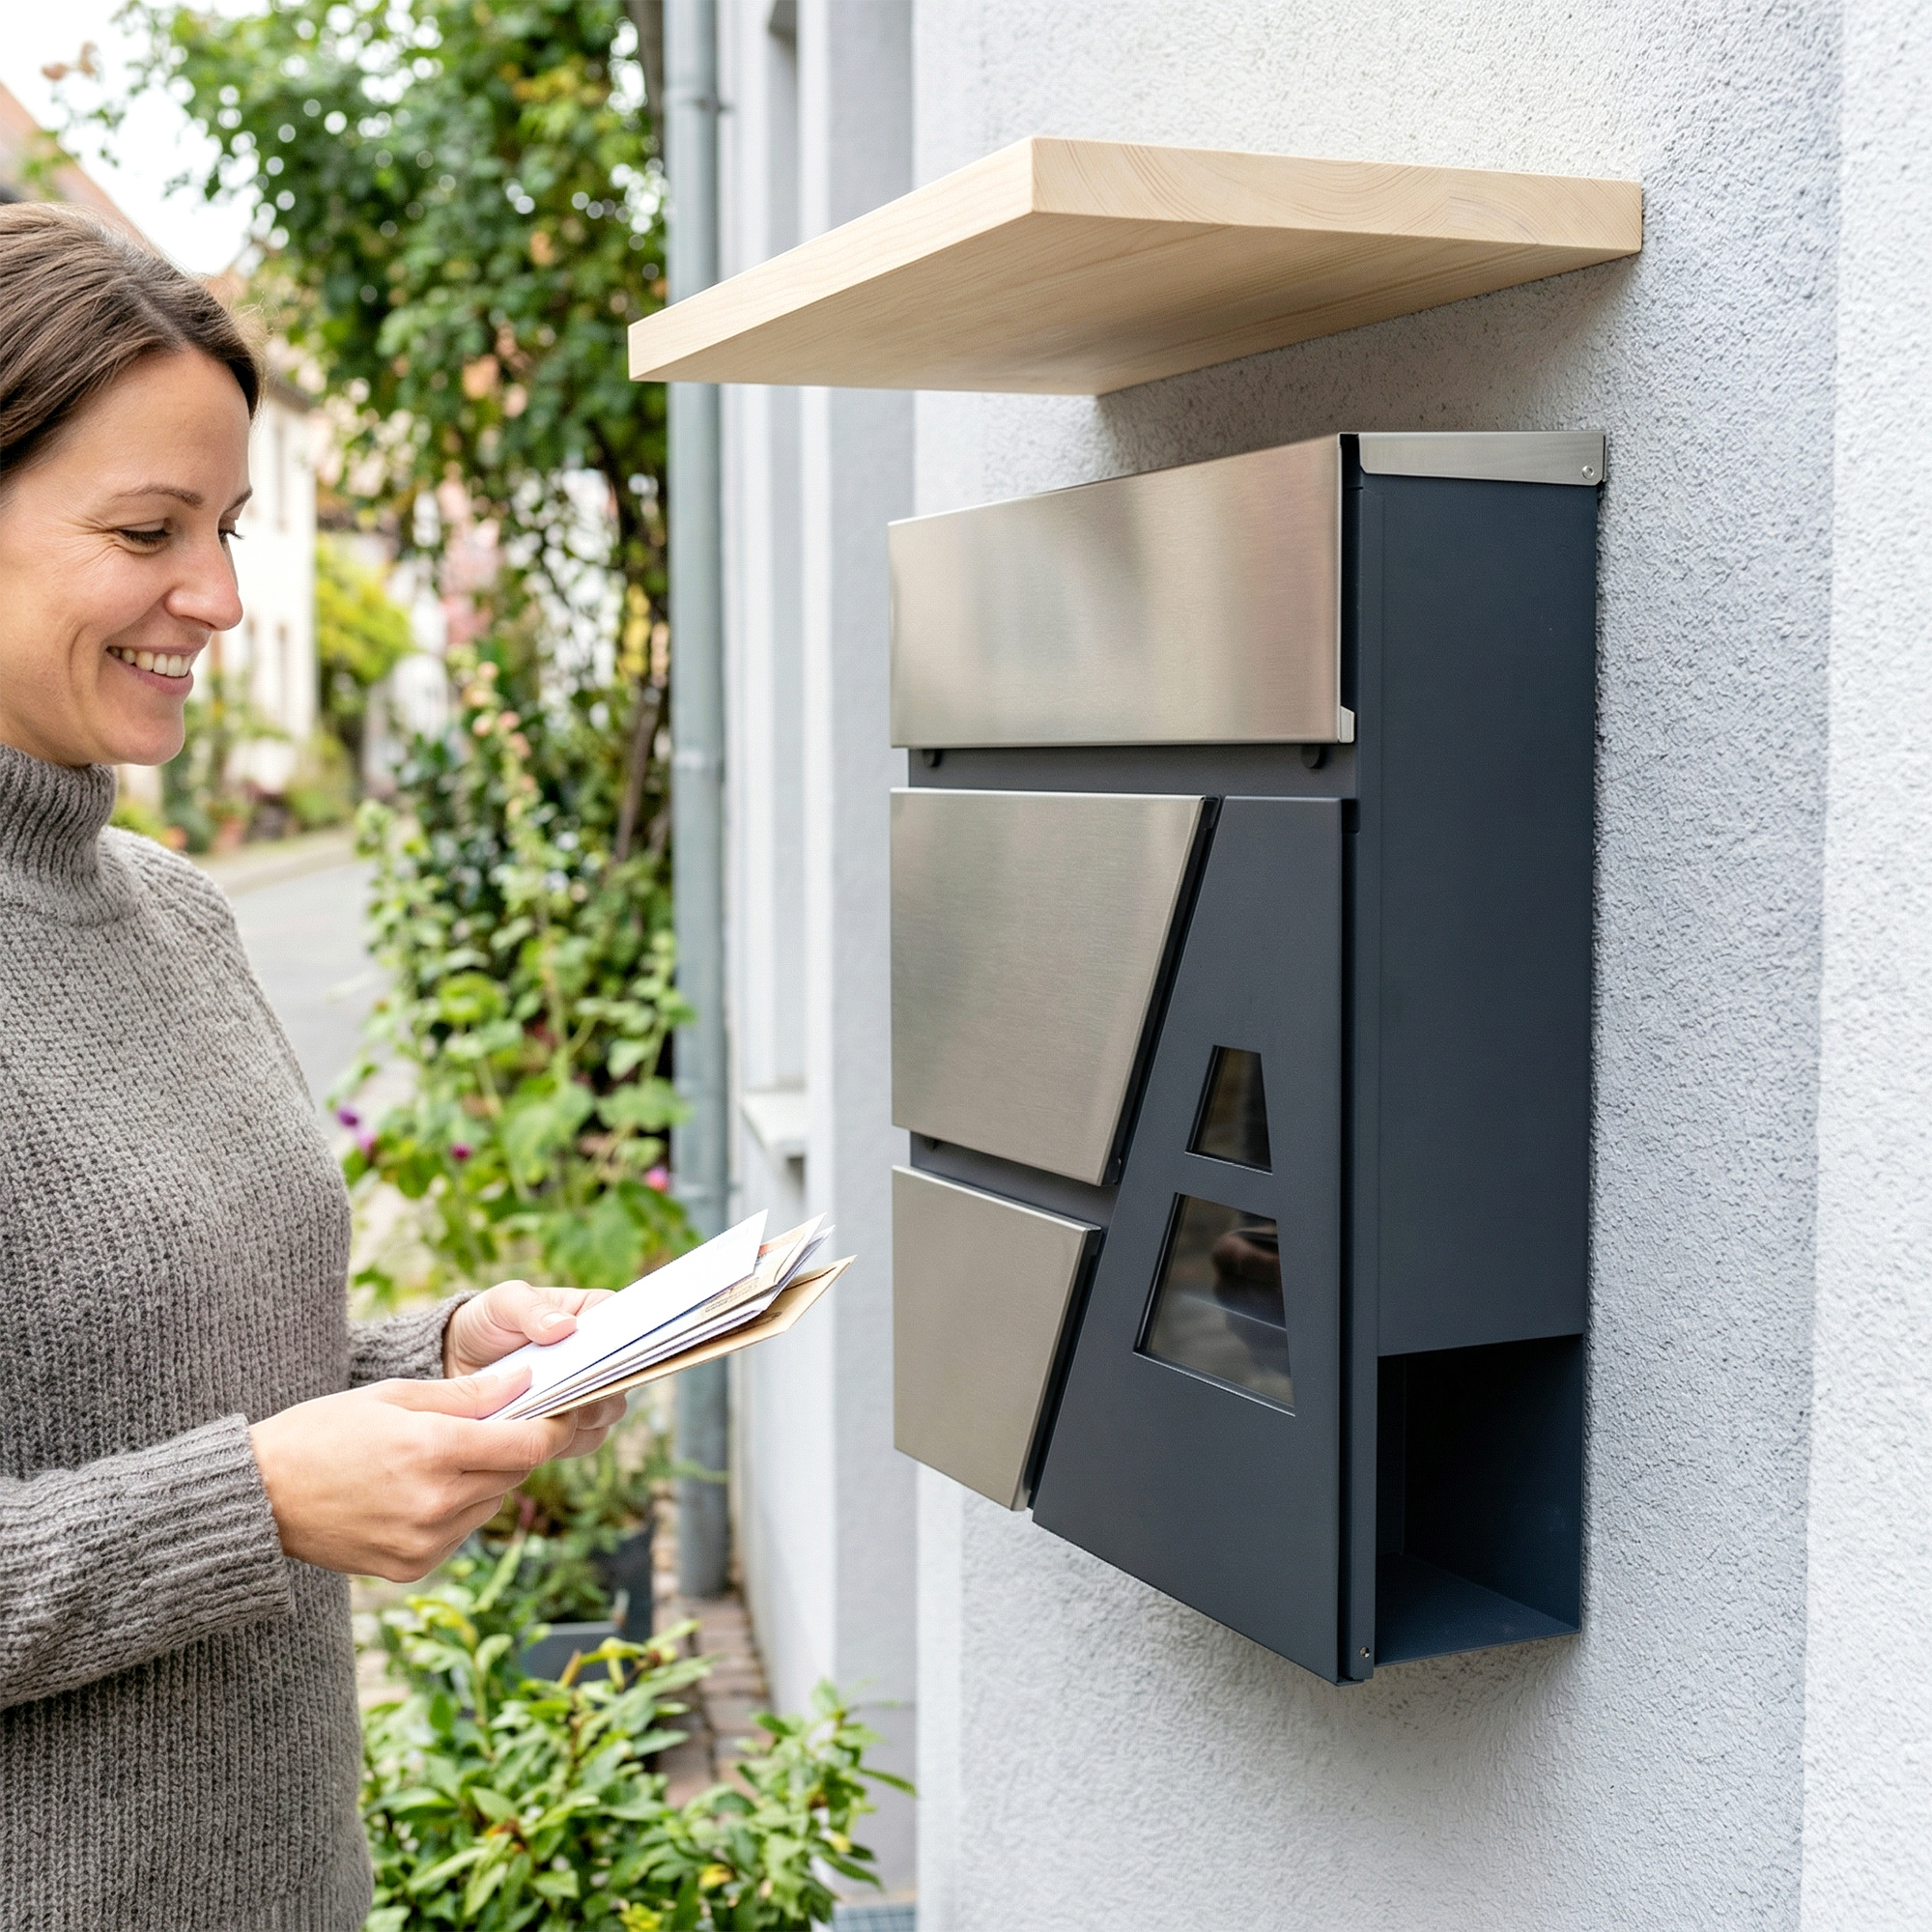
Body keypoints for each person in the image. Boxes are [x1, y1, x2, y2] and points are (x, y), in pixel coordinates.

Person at [0, 202, 628, 1928]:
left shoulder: (176, 913)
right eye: (148, 529)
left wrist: (441, 1362)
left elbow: (155, 1372)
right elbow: (232, 1470)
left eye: (229, 526)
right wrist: (260, 1500)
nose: (216, 596)